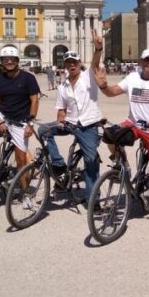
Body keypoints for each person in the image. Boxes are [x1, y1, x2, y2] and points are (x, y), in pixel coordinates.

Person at [91, 32, 149, 225]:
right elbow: (113, 92)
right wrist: (103, 86)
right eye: (147, 59)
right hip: (134, 123)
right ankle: (122, 163)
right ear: (141, 61)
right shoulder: (133, 77)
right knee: (109, 135)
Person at [37, 50, 104, 201]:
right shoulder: (63, 86)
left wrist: (98, 48)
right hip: (70, 123)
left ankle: (93, 198)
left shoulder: (88, 77)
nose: (72, 64)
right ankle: (58, 163)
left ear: (80, 63)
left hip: (88, 125)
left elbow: (95, 62)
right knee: (43, 130)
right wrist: (60, 121)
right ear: (65, 65)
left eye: (74, 62)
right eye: (69, 62)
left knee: (91, 160)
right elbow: (62, 110)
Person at [0, 45, 40, 170]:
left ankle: (24, 189)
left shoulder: (28, 78)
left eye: (12, 59)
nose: (9, 61)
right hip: (2, 115)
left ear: (17, 60)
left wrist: (30, 124)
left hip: (21, 120)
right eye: (6, 59)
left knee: (21, 160)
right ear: (1, 61)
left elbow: (35, 101)